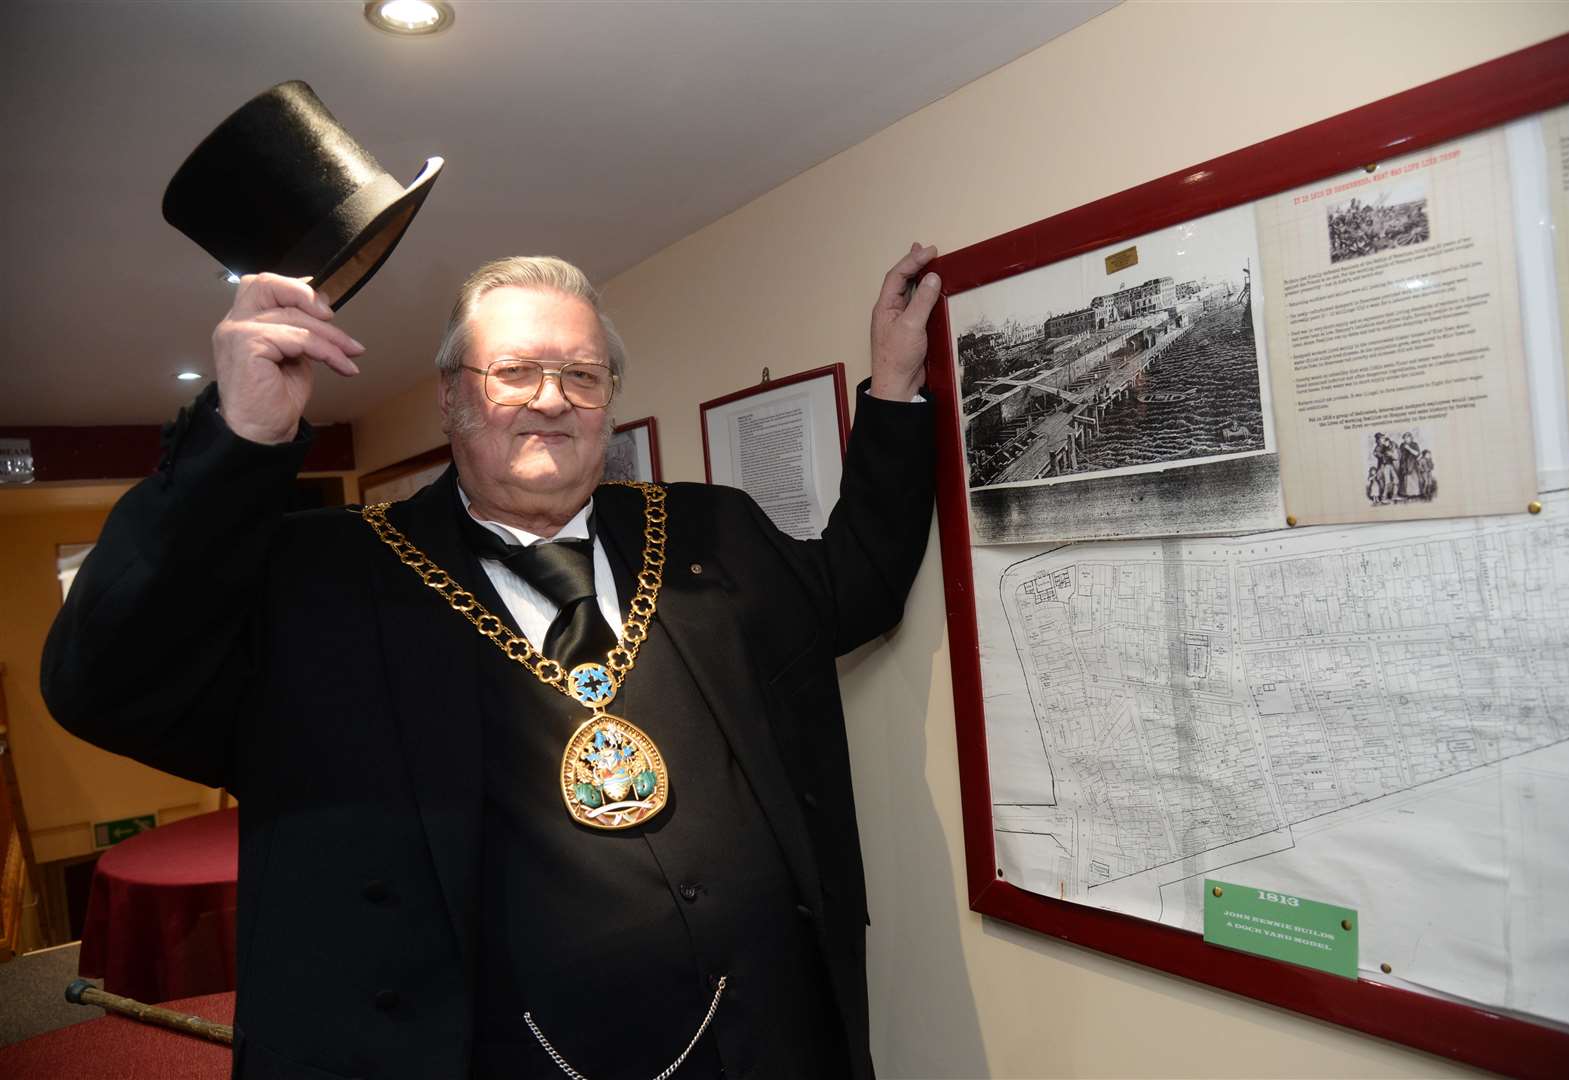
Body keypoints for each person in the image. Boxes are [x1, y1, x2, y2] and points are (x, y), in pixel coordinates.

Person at [42, 245, 941, 1079]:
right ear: (450, 395)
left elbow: (853, 586)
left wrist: (895, 393)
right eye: (514, 372)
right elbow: (105, 685)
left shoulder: (714, 530)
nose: (551, 399)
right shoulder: (322, 579)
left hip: (762, 1045)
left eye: (583, 376)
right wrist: (237, 440)